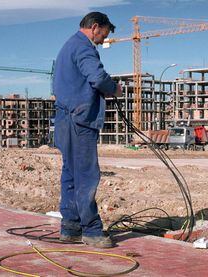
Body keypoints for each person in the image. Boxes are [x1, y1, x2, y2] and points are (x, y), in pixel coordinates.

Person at [53, 12, 122, 248]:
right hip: (80, 120)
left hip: (64, 119)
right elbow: (98, 77)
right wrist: (114, 89)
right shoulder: (83, 47)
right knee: (86, 175)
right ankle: (91, 231)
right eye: (104, 33)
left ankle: (70, 228)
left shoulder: (69, 45)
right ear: (95, 27)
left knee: (71, 174)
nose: (103, 40)